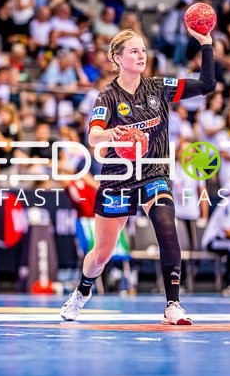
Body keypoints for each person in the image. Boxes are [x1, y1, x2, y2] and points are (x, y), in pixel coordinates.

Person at [59, 26, 216, 325]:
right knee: (101, 254)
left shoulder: (160, 87)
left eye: (143, 50)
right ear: (117, 58)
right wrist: (111, 133)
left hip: (154, 172)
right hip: (118, 177)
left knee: (167, 228)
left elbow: (207, 84)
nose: (142, 55)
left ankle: (173, 305)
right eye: (134, 51)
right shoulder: (108, 96)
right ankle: (82, 291)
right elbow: (93, 137)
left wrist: (206, 44)